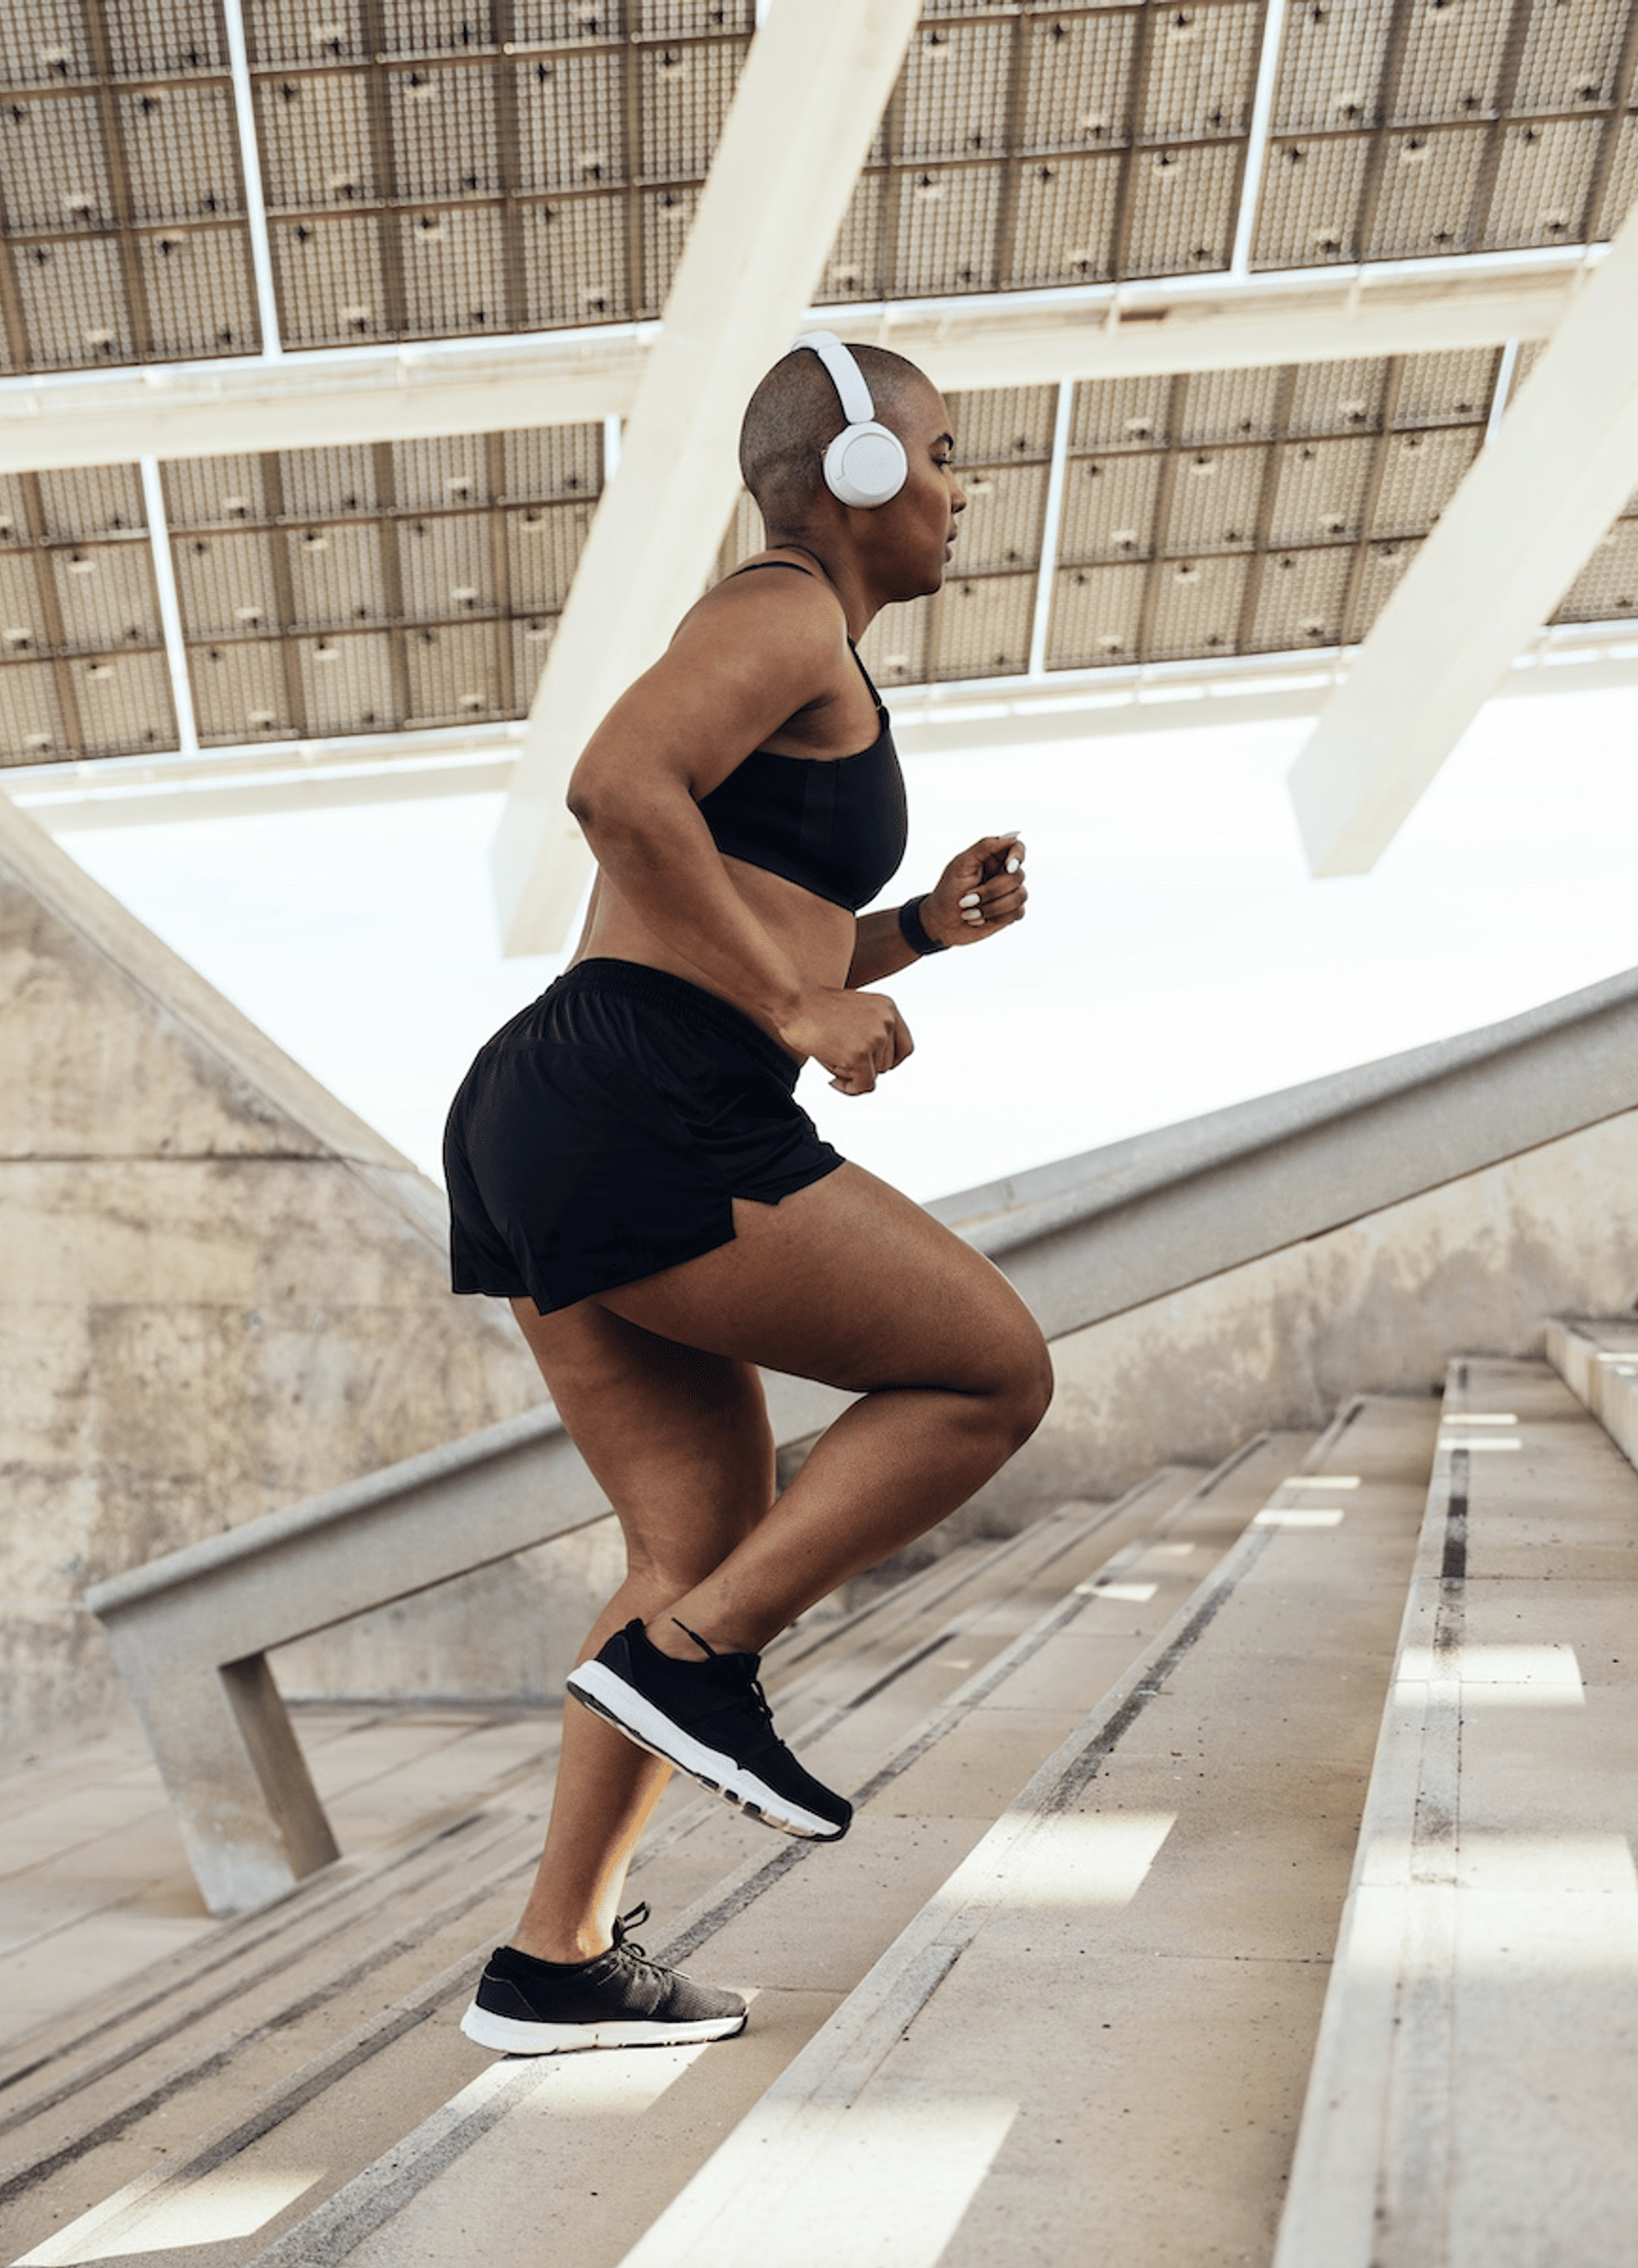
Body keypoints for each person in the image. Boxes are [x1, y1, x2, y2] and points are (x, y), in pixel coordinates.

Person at [444, 335, 1055, 2056]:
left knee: (687, 1540)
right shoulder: (782, 608)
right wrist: (796, 1009)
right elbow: (613, 791)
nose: (958, 489)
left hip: (570, 1097)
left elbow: (736, 901)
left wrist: (916, 932)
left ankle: (553, 1961)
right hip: (643, 1091)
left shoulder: (803, 645)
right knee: (991, 1370)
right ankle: (699, 1663)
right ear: (855, 474)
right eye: (942, 453)